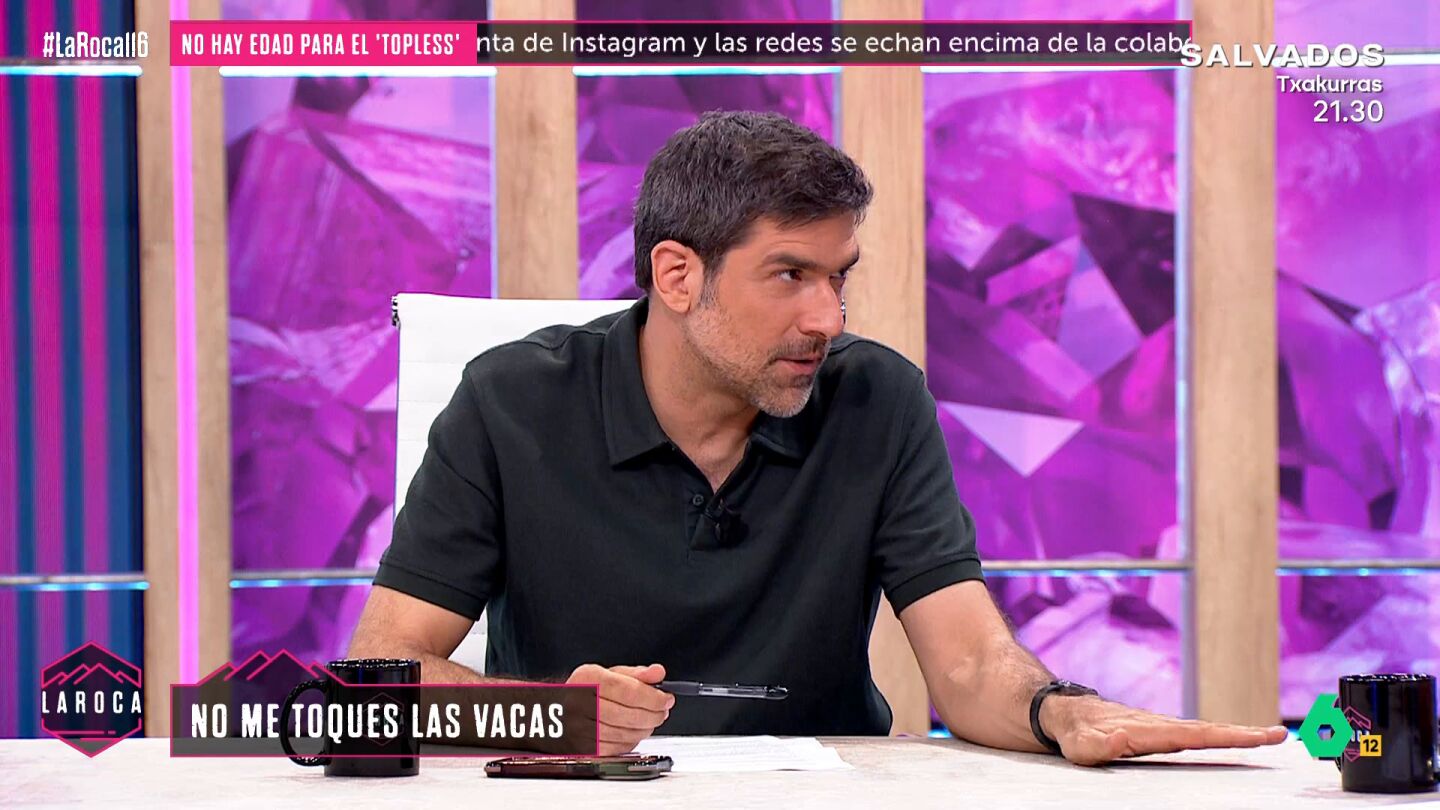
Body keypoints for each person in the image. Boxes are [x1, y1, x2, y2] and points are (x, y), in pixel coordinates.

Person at [348, 110, 1287, 764]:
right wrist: (550, 717)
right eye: (790, 275)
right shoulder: (510, 400)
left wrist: (1057, 712)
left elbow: (967, 663)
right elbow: (377, 682)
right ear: (677, 275)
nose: (829, 318)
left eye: (840, 277)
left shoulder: (879, 398)